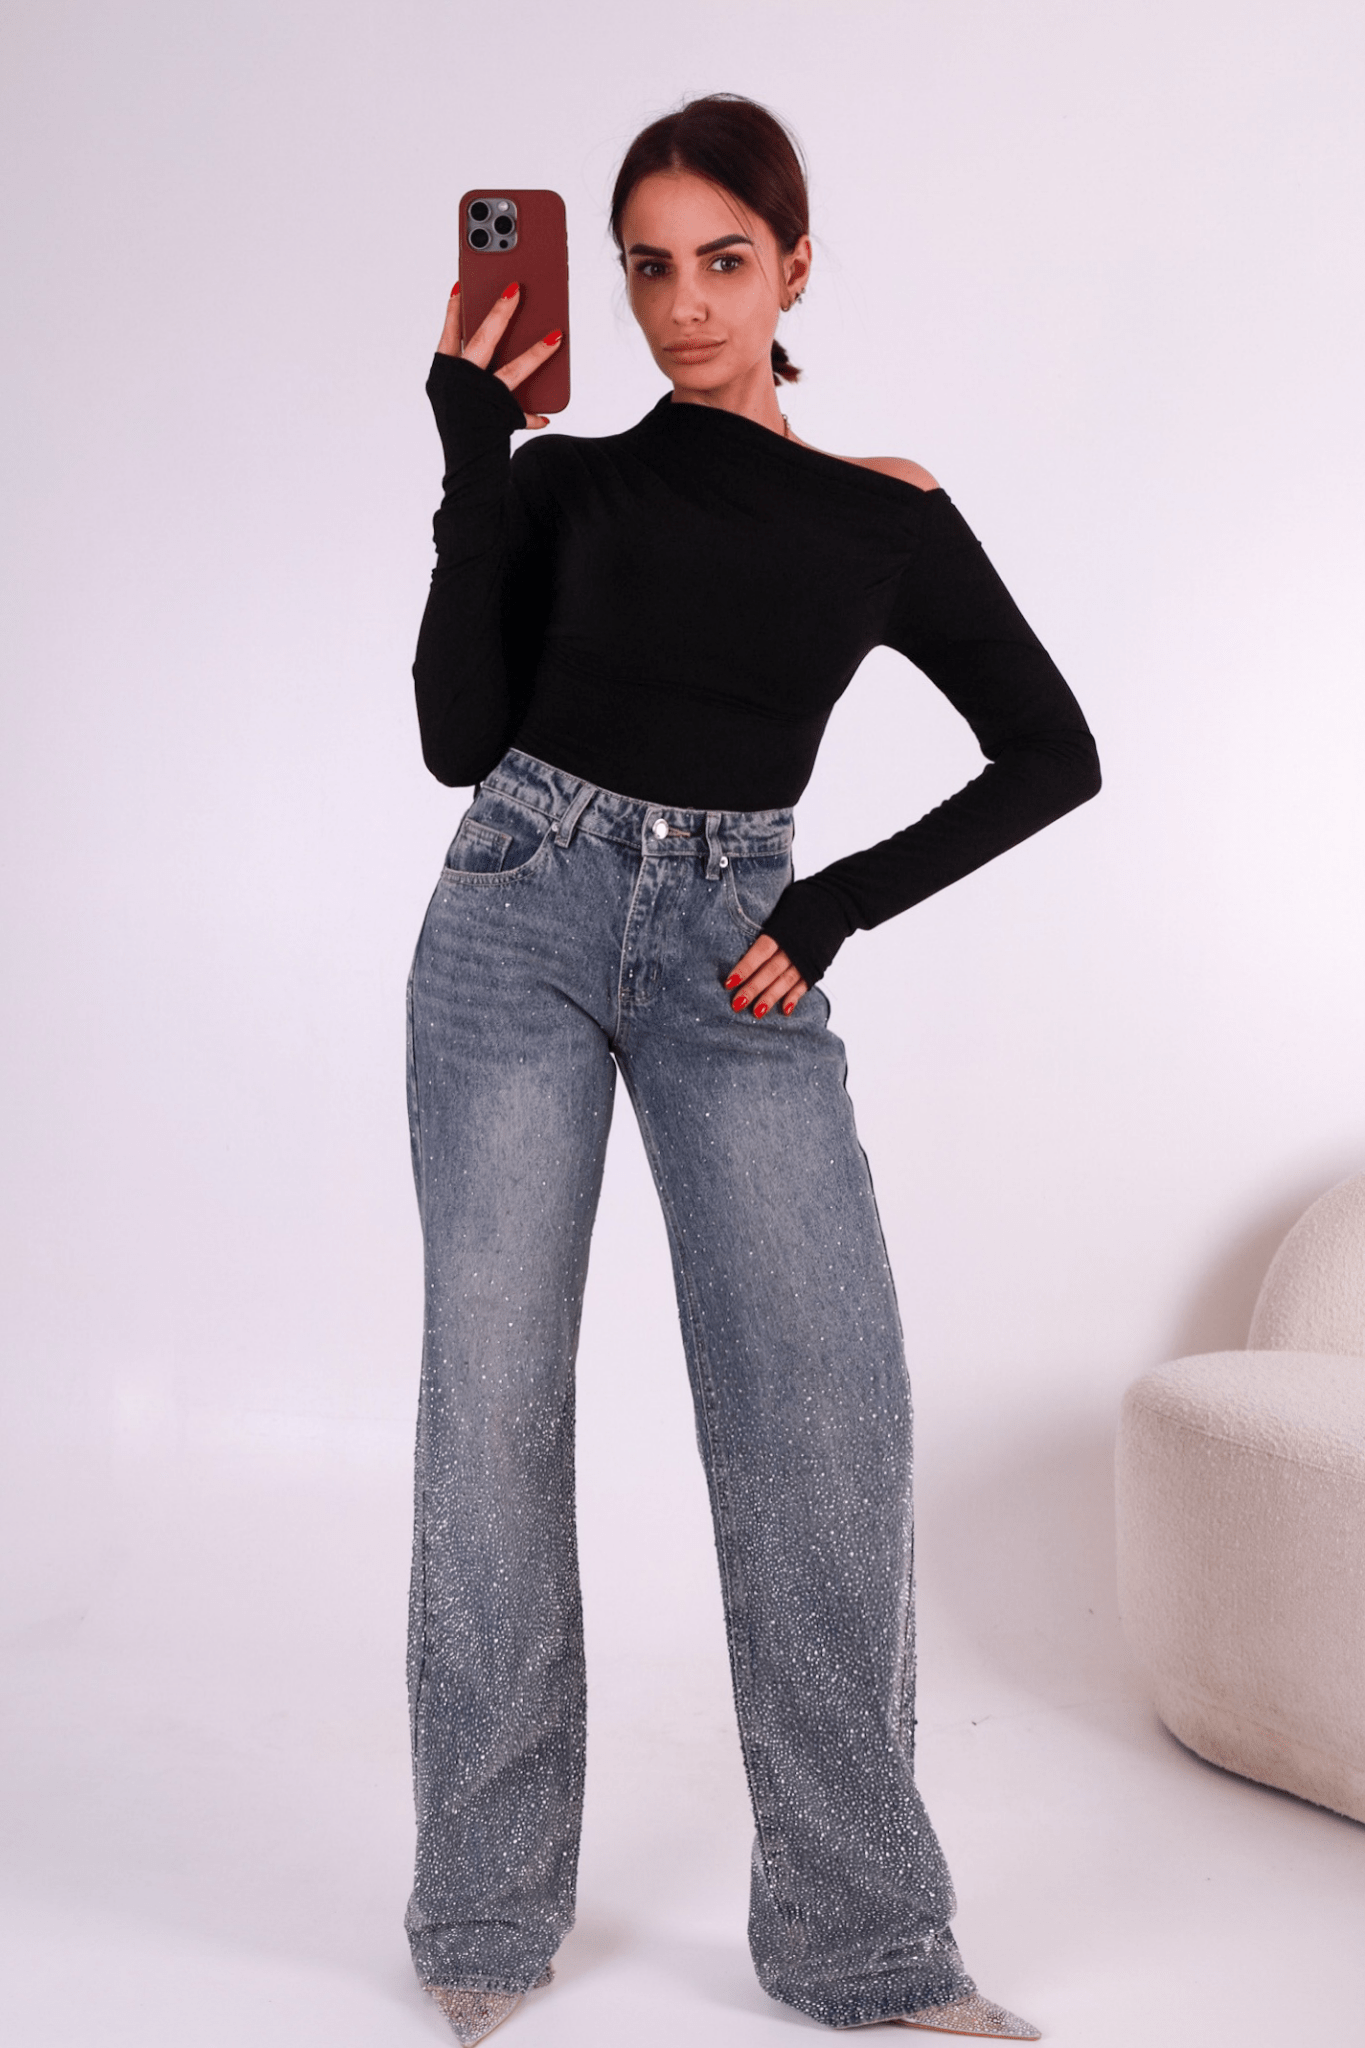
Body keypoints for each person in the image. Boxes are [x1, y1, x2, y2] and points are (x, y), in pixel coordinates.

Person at [404, 94, 1100, 2047]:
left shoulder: (884, 514)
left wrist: (840, 903)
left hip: (740, 950)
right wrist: (472, 462)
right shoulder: (564, 490)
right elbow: (458, 738)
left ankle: (863, 1944)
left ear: (795, 267)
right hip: (516, 918)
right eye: (648, 267)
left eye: (724, 260)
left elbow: (1052, 751)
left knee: (823, 1423)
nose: (683, 305)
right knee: (491, 1415)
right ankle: (482, 1913)